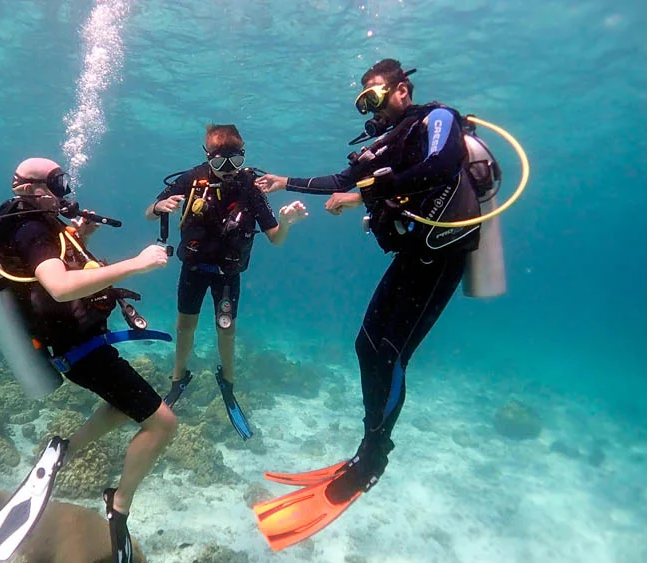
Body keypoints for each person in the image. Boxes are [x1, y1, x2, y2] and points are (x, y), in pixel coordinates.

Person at [251, 59, 482, 550]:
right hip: (417, 253)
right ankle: (369, 440)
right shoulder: (384, 145)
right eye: (363, 101)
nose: (369, 108)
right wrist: (283, 181)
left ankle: (374, 454)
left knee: (392, 352)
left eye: (375, 96)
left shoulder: (434, 118)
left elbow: (441, 166)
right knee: (366, 344)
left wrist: (370, 190)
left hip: (441, 255)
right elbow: (342, 179)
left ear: (402, 89)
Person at [0, 157, 177, 562]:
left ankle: (65, 449)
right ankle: (119, 505)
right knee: (163, 425)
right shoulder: (32, 228)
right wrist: (136, 265)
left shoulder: (25, 223)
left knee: (123, 409)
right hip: (78, 348)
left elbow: (48, 269)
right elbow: (60, 286)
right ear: (29, 189)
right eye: (57, 182)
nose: (65, 190)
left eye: (63, 180)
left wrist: (82, 234)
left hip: (80, 342)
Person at [144, 124, 307, 440]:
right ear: (208, 157)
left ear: (244, 157)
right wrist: (158, 207)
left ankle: (228, 379)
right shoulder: (190, 180)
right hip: (193, 270)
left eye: (236, 162)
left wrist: (286, 223)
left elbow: (275, 238)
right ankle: (179, 377)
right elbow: (150, 213)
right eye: (220, 164)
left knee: (226, 330)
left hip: (228, 276)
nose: (229, 171)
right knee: (184, 327)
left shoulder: (250, 187)